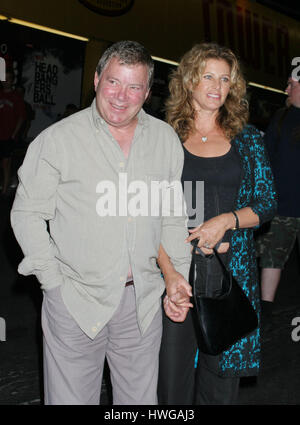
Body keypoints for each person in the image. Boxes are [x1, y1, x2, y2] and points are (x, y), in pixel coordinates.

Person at [10, 40, 191, 405]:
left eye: (134, 86)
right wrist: (53, 282)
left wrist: (177, 278)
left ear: (147, 91)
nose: (121, 96)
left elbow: (171, 216)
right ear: (96, 80)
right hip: (76, 300)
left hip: (141, 301)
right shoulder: (58, 140)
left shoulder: (164, 140)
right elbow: (26, 213)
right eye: (113, 82)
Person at [157, 42, 277, 405]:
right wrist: (167, 273)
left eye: (225, 79)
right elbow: (150, 213)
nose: (217, 85)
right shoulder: (164, 138)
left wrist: (227, 220)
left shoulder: (248, 139)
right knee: (170, 386)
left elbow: (267, 203)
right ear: (189, 80)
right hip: (176, 275)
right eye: (208, 75)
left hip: (231, 274)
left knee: (220, 386)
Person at [257, 76, 300, 330]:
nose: (285, 89)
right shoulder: (282, 118)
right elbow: (267, 157)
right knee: (272, 259)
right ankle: (266, 311)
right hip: (281, 207)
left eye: (291, 85)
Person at [0, 69, 26, 195]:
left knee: (6, 163)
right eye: (4, 79)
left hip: (8, 136)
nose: (6, 81)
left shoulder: (16, 97)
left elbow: (21, 117)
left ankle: (4, 191)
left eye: (9, 79)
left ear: (12, 81)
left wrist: (14, 134)